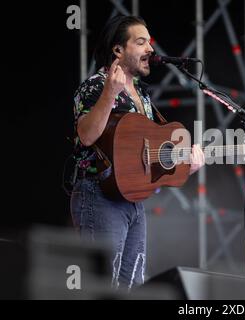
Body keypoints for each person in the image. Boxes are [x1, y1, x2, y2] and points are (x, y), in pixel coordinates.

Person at [70, 15, 205, 290]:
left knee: (132, 285)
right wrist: (110, 93)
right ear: (118, 50)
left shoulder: (143, 95)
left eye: (150, 43)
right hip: (99, 194)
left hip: (133, 199)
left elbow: (147, 154)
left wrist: (183, 163)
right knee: (102, 287)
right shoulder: (94, 86)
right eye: (141, 42)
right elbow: (86, 136)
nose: (150, 50)